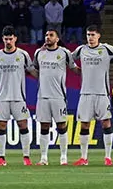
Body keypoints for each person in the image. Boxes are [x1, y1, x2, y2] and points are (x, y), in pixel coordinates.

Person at [70, 27, 113, 166]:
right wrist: (75, 68)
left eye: (92, 35)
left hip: (102, 93)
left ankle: (108, 157)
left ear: (99, 35)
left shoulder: (106, 49)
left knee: (106, 122)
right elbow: (66, 58)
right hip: (85, 93)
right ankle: (83, 158)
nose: (90, 37)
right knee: (84, 124)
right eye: (88, 35)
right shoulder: (81, 49)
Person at [0, 28, 36, 167]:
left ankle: (26, 157)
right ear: (2, 39)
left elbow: (32, 71)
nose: (8, 41)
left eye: (10, 39)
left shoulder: (23, 55)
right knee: (1, 125)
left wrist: (46, 77)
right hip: (2, 97)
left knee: (23, 125)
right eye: (6, 39)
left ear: (15, 38)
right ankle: (1, 158)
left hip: (18, 97)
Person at [33, 28, 73, 165]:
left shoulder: (64, 53)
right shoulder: (39, 53)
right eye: (46, 35)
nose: (47, 37)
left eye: (51, 35)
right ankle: (44, 158)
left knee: (62, 126)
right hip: (43, 96)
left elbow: (74, 68)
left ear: (57, 39)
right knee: (44, 127)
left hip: (58, 96)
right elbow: (35, 70)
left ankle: (63, 157)